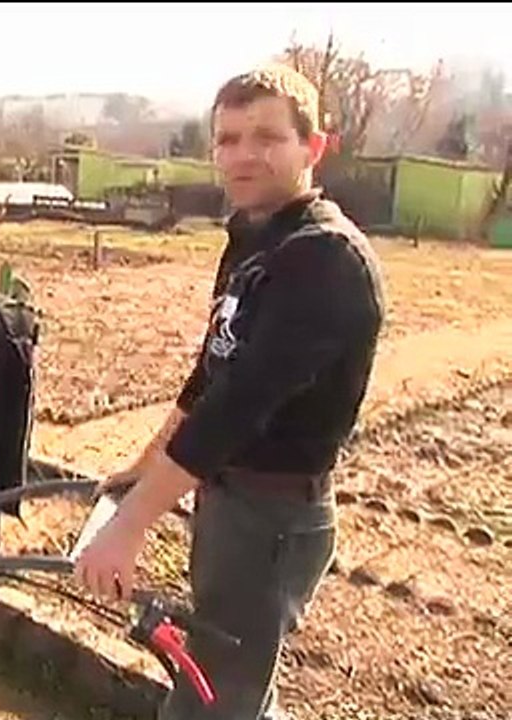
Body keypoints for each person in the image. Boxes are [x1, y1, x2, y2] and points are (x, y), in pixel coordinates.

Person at [72, 64, 385, 719]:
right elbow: (211, 372)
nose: (244, 155)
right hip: (229, 499)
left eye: (267, 137)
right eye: (228, 139)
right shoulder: (253, 237)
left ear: (313, 147)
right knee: (229, 694)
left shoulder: (324, 258)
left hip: (272, 520)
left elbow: (237, 407)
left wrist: (130, 526)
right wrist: (144, 467)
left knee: (214, 703)